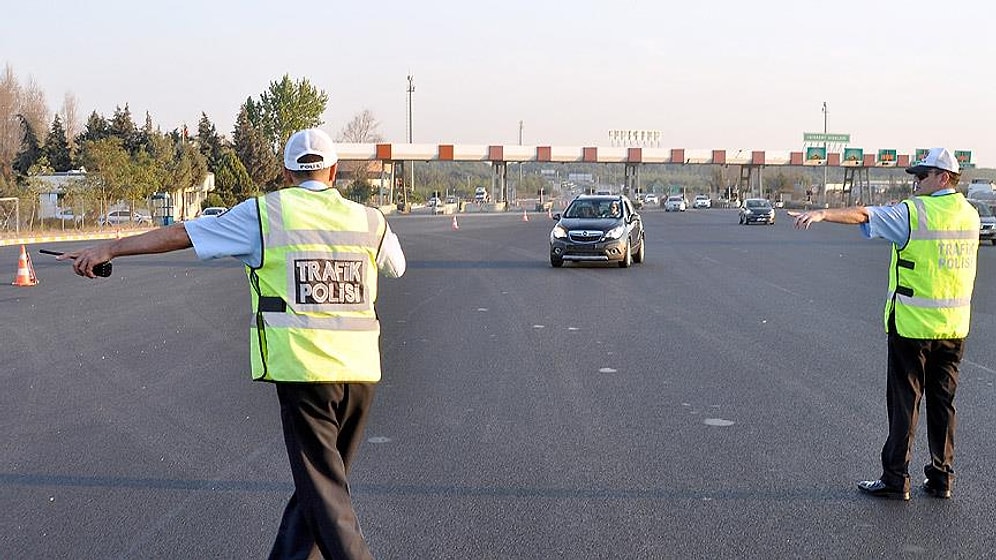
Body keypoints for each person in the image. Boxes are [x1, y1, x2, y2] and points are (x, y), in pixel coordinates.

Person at [62, 128, 406, 558]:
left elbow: (184, 234)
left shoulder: (267, 214)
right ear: (334, 171)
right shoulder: (369, 220)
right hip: (360, 376)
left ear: (285, 173)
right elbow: (396, 267)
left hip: (306, 372)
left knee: (325, 496)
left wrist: (111, 248)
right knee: (319, 490)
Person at [788, 147, 979, 501]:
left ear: (944, 178)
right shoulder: (970, 216)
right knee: (943, 404)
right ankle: (941, 478)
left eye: (923, 176)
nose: (917, 183)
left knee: (905, 403)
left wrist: (824, 212)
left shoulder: (915, 213)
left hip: (912, 326)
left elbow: (864, 214)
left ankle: (895, 478)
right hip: (954, 328)